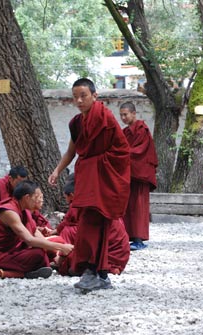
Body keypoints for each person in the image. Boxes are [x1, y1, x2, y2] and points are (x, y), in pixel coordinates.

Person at [48, 78, 130, 292]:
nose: (79, 100)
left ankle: (93, 272)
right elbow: (72, 151)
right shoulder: (76, 123)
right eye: (75, 96)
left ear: (95, 96)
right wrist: (57, 170)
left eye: (83, 95)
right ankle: (99, 274)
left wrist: (97, 163)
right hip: (87, 178)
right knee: (89, 223)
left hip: (103, 178)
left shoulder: (106, 119)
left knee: (96, 224)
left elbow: (122, 152)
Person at [0, 180, 73, 278]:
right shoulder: (9, 212)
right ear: (27, 197)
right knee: (38, 254)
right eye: (38, 197)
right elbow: (29, 240)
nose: (40, 200)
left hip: (12, 251)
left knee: (56, 241)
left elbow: (35, 233)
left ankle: (43, 265)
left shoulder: (24, 210)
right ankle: (14, 274)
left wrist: (56, 249)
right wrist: (60, 248)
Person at [119, 101, 158, 251]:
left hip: (140, 174)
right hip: (129, 174)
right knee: (128, 206)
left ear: (134, 114)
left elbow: (139, 151)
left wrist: (122, 154)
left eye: (125, 114)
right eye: (121, 115)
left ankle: (139, 239)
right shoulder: (125, 132)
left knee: (138, 206)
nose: (123, 117)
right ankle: (128, 237)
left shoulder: (142, 129)